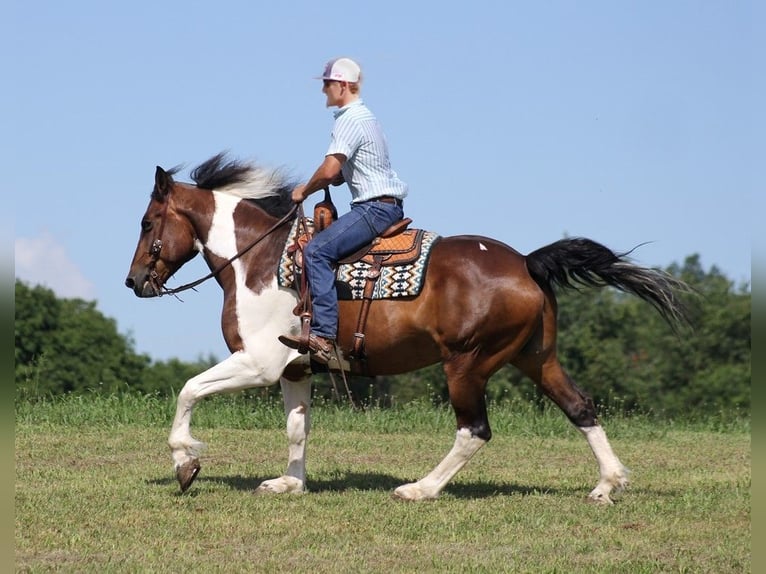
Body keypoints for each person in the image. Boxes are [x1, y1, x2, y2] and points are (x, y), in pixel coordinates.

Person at [279, 57, 408, 363]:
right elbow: (348, 168)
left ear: (343, 85)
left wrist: (303, 191)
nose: (324, 90)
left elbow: (328, 169)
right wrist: (340, 176)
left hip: (374, 208)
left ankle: (323, 336)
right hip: (385, 204)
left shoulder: (348, 120)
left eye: (327, 83)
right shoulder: (367, 118)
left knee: (316, 252)